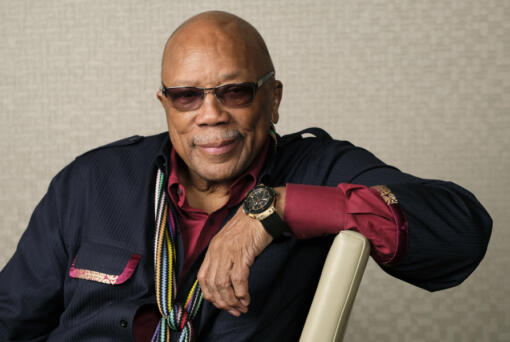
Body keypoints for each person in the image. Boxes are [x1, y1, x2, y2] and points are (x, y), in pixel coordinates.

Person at [0, 10, 491, 342]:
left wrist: (275, 207)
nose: (210, 115)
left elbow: (460, 230)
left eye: (234, 92)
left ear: (273, 98)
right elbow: (13, 318)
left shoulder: (318, 168)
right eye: (187, 96)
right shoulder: (89, 180)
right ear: (165, 104)